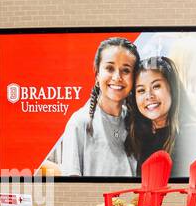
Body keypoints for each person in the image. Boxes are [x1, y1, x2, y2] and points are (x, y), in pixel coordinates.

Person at [48, 37, 140, 178]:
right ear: (97, 74)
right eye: (109, 68)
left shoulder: (137, 121)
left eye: (126, 70)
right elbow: (73, 185)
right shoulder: (79, 123)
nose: (117, 77)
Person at [130, 56, 182, 168]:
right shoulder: (136, 136)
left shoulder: (187, 138)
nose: (149, 96)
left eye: (156, 86)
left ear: (172, 88)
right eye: (141, 90)